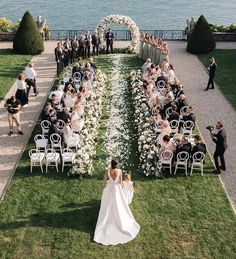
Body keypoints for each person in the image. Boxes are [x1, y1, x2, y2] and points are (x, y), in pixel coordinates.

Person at [94, 158, 140, 245]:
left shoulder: (108, 170)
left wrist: (108, 183)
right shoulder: (119, 171)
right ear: (117, 165)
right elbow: (120, 182)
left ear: (111, 164)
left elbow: (104, 180)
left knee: (107, 205)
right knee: (119, 205)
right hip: (117, 189)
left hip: (109, 189)